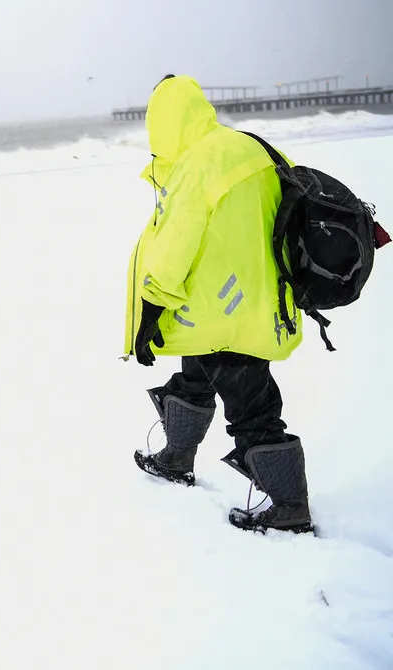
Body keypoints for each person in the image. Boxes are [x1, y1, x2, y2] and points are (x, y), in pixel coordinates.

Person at [125, 75, 313, 534]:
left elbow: (174, 246)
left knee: (252, 407)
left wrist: (150, 309)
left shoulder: (198, 164)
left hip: (223, 309)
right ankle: (176, 457)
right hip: (256, 302)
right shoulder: (252, 147)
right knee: (195, 375)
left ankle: (290, 505)